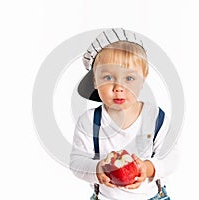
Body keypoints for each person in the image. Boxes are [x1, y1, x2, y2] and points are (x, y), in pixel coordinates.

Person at [70, 28, 179, 200]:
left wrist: (148, 167)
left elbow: (171, 158)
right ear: (95, 81)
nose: (118, 87)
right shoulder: (90, 121)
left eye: (129, 78)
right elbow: (76, 162)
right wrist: (97, 169)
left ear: (143, 78)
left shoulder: (155, 117)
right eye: (107, 78)